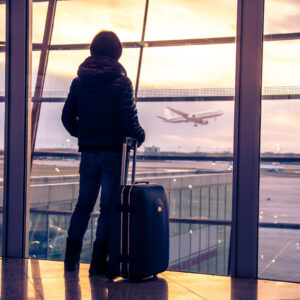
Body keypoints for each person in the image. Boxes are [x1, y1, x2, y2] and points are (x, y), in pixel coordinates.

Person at [61, 30, 145, 275]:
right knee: (108, 208)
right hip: (113, 153)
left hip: (88, 152)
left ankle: (71, 261)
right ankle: (98, 263)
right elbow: (129, 120)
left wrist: (84, 134)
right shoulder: (121, 82)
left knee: (83, 206)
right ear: (117, 53)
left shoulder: (79, 81)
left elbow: (67, 117)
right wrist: (140, 135)